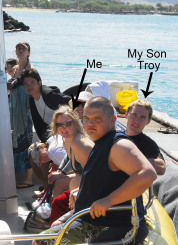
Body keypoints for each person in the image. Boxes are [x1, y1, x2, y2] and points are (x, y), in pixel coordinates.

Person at [35, 97, 157, 244]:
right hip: (90, 217)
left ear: (113, 119)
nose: (90, 124)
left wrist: (108, 200)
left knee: (40, 242)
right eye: (86, 118)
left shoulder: (118, 144)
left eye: (97, 119)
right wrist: (80, 192)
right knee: (51, 229)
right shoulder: (100, 143)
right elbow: (106, 181)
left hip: (111, 225)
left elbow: (148, 174)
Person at [22, 68, 70, 192]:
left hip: (66, 135)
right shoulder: (32, 99)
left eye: (32, 82)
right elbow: (39, 125)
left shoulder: (49, 95)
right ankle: (46, 188)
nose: (29, 86)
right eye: (26, 84)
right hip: (52, 137)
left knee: (43, 156)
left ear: (39, 82)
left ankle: (50, 189)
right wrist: (45, 143)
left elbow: (69, 101)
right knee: (33, 153)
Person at [47, 106, 94, 224]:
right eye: (59, 125)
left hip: (89, 188)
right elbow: (69, 156)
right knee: (57, 187)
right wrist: (61, 172)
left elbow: (93, 174)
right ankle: (58, 220)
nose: (63, 128)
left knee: (71, 183)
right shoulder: (67, 140)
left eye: (67, 124)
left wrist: (77, 191)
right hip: (79, 181)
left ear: (75, 123)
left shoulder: (80, 143)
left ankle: (65, 223)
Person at [125, 99, 165, 175]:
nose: (137, 121)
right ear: (126, 114)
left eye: (142, 117)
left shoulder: (148, 144)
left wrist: (127, 161)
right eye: (134, 115)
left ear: (148, 121)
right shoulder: (113, 137)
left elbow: (161, 168)